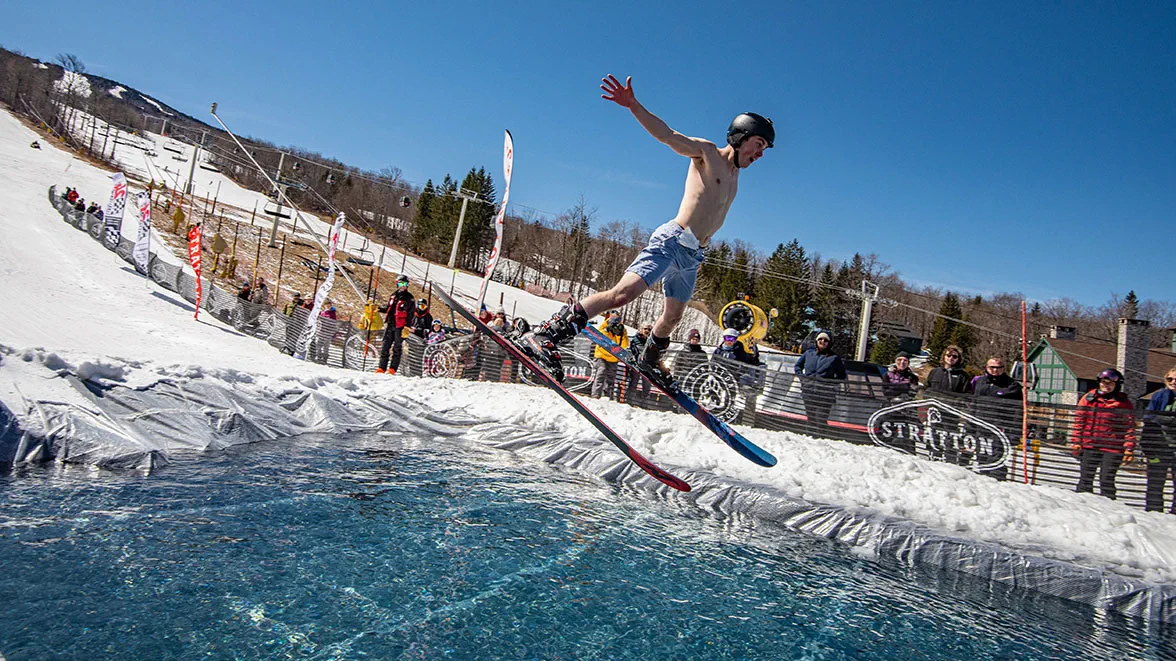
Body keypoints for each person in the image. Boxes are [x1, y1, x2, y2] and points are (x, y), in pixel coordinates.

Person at [520, 73, 774, 385]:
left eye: (765, 149)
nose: (760, 154)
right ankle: (546, 334)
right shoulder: (707, 154)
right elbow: (668, 135)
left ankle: (650, 358)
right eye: (758, 144)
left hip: (694, 256)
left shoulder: (736, 178)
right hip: (672, 241)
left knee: (673, 317)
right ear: (740, 135)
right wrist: (633, 105)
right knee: (622, 294)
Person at [1071, 368, 1136, 500]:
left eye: (1110, 383)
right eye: (1103, 382)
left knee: (1106, 479)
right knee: (1086, 477)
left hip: (1112, 447)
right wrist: (1077, 441)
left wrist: (1129, 447)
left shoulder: (1122, 403)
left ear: (1116, 385)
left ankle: (1108, 507)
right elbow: (1079, 420)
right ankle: (1083, 505)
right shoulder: (1089, 398)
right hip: (1090, 444)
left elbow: (1129, 426)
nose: (1106, 386)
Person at [970, 357, 1023, 481]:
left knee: (997, 460)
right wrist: (970, 425)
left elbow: (1018, 411)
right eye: (991, 367)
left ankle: (998, 486)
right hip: (981, 427)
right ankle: (984, 484)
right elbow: (974, 403)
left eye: (998, 367)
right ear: (986, 368)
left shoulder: (1012, 386)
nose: (995, 370)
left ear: (1004, 368)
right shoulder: (980, 382)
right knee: (981, 458)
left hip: (1000, 429)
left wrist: (1015, 433)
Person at [794, 332, 846, 434]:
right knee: (811, 418)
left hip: (825, 395)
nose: (822, 342)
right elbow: (798, 366)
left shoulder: (834, 358)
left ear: (829, 343)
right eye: (820, 339)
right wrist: (802, 378)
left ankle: (822, 438)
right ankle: (809, 438)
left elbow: (842, 375)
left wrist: (832, 384)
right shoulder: (808, 353)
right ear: (816, 341)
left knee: (821, 418)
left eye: (825, 340)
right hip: (808, 392)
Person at [1141, 367, 1176, 513]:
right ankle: (1153, 514)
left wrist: (1163, 419)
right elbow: (1149, 418)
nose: (1173, 382)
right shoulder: (1158, 396)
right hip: (1158, 446)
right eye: (1170, 379)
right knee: (1155, 483)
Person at [376, 275, 415, 375]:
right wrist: (379, 309)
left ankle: (392, 368)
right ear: (397, 283)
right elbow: (389, 309)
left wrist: (407, 326)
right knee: (385, 346)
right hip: (390, 323)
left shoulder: (409, 298)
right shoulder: (393, 295)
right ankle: (381, 367)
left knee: (397, 348)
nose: (403, 286)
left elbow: (411, 314)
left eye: (405, 284)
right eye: (401, 284)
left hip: (400, 326)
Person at [591, 311, 629, 399]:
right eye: (614, 318)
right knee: (601, 373)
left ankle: (607, 395)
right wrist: (608, 329)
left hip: (613, 358)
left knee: (610, 378)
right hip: (601, 355)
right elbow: (599, 338)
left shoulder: (622, 329)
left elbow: (624, 345)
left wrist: (620, 335)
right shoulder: (605, 325)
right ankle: (596, 395)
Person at [626, 324, 654, 405]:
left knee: (647, 385)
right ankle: (629, 401)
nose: (647, 331)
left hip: (647, 366)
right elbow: (632, 351)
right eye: (645, 329)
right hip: (636, 365)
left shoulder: (651, 341)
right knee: (633, 383)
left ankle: (644, 404)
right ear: (641, 329)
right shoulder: (636, 339)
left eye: (649, 330)